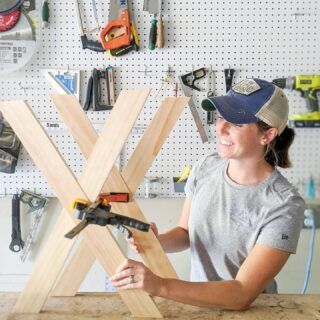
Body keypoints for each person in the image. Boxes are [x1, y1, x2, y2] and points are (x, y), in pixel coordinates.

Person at [110, 78, 306, 310]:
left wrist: (159, 286)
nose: (220, 128)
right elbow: (186, 233)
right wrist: (156, 242)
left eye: (237, 123)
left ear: (268, 135)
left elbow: (241, 293)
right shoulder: (205, 167)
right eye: (222, 117)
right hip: (199, 307)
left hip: (253, 314)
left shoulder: (284, 205)